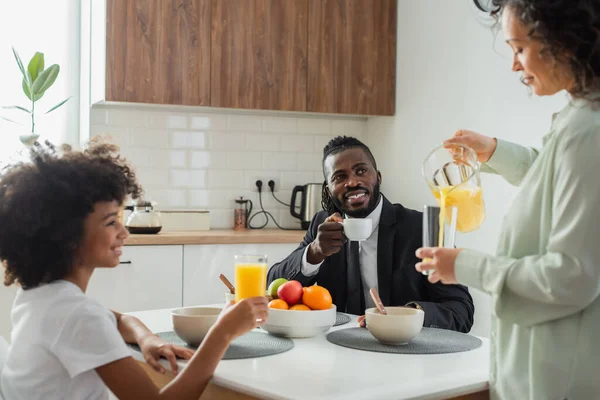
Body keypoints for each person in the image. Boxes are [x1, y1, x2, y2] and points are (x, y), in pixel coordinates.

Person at [415, 1, 600, 398]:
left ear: (563, 42)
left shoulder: (588, 132)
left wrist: (466, 266)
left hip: (558, 381)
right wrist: (494, 150)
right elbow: (554, 180)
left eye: (518, 48)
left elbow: (572, 277)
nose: (515, 65)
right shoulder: (579, 118)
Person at [0, 140, 268, 400]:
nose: (124, 232)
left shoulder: (39, 296)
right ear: (67, 237)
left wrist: (148, 339)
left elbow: (118, 320)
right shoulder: (78, 315)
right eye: (110, 223)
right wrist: (222, 333)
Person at [268, 136, 474, 333]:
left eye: (361, 171)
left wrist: (408, 316)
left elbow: (460, 311)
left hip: (404, 354)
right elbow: (274, 287)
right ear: (329, 189)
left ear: (378, 177)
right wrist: (313, 253)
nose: (352, 182)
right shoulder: (322, 226)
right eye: (340, 177)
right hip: (338, 349)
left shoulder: (420, 228)